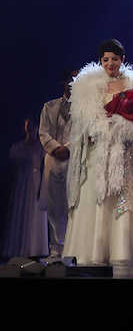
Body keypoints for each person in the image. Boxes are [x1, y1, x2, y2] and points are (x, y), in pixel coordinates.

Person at [63, 39, 133, 267]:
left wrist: (125, 128)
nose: (110, 63)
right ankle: (91, 251)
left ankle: (120, 251)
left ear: (123, 59)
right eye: (105, 59)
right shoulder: (87, 84)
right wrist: (96, 129)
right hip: (97, 152)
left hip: (123, 153)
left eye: (114, 58)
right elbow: (81, 119)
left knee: (121, 200)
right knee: (94, 197)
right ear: (100, 61)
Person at [37, 70, 73, 260]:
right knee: (53, 206)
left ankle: (69, 247)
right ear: (64, 82)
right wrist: (55, 148)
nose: (73, 82)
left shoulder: (85, 109)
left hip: (72, 159)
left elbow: (83, 134)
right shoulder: (49, 106)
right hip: (52, 158)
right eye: (70, 79)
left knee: (70, 204)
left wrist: (68, 148)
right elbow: (43, 132)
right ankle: (55, 248)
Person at [5, 116, 47, 258]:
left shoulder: (40, 148)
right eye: (28, 125)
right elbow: (12, 167)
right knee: (20, 212)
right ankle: (17, 247)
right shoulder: (17, 147)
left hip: (35, 182)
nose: (30, 128)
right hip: (21, 183)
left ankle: (34, 248)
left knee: (34, 213)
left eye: (33, 125)